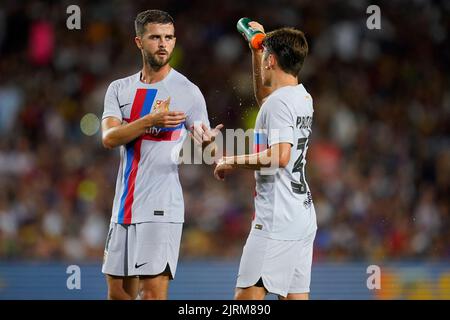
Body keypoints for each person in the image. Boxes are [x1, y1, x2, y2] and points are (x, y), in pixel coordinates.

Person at [101, 9, 222, 300]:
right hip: (123, 207)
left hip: (160, 207)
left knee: (152, 294)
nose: (163, 44)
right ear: (139, 42)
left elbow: (209, 146)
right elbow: (109, 138)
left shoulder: (187, 91)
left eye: (168, 37)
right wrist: (150, 121)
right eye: (155, 37)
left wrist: (209, 146)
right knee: (117, 294)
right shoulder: (119, 89)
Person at [214, 21, 317, 300]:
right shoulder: (301, 97)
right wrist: (255, 49)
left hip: (276, 221)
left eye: (264, 58)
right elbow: (266, 98)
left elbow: (280, 156)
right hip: (302, 214)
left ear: (271, 60)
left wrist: (232, 160)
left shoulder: (279, 103)